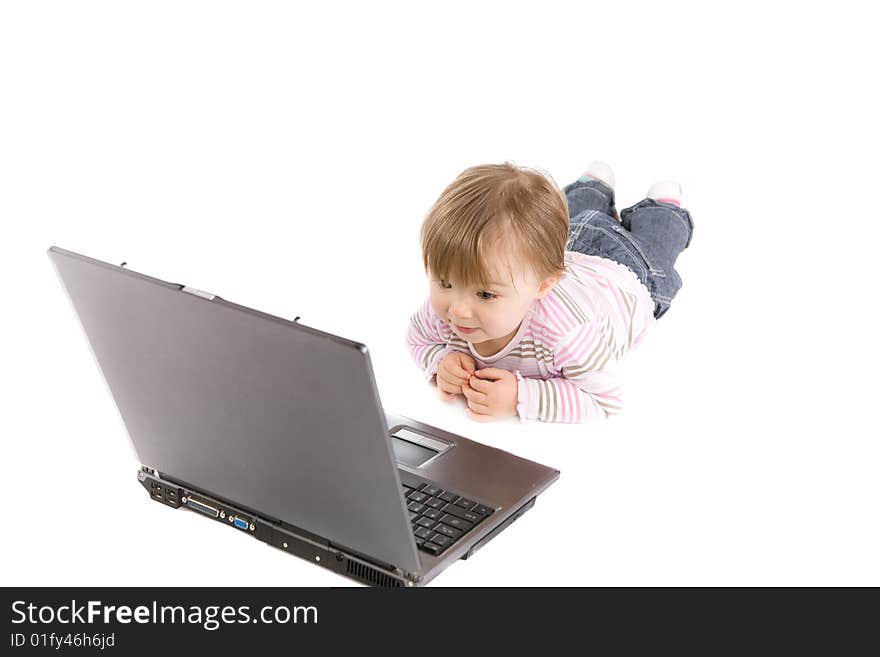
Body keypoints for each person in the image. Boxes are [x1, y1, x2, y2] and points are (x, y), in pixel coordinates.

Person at [405, 161, 694, 423]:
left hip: (630, 272)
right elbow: (418, 339)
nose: (456, 310)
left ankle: (661, 207)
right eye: (445, 283)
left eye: (485, 295)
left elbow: (604, 401)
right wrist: (440, 362)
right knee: (566, 220)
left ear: (542, 286)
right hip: (570, 243)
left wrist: (521, 397)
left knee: (657, 240)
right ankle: (592, 187)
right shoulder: (450, 307)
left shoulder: (565, 334)